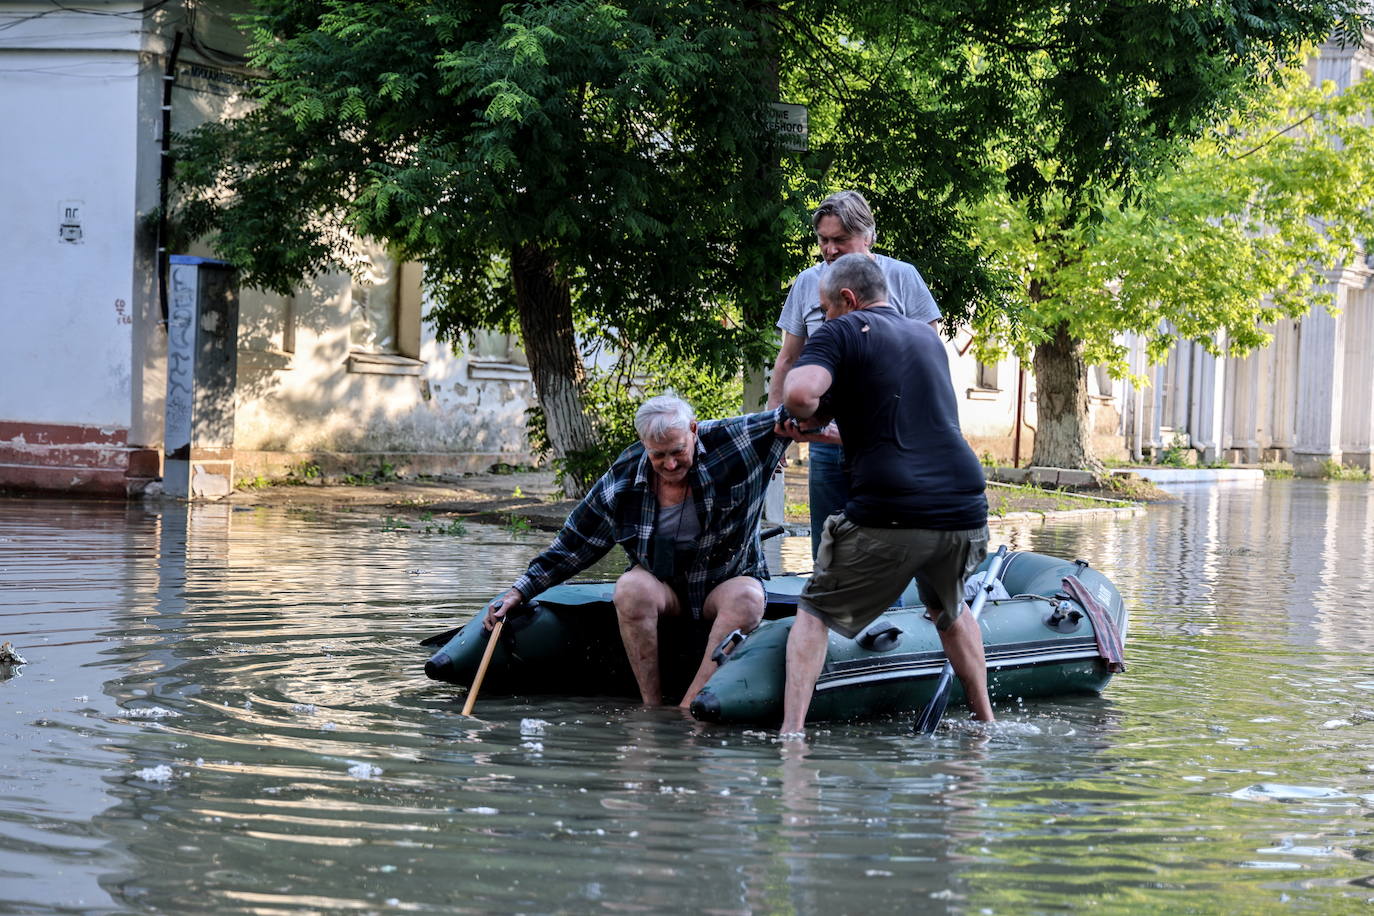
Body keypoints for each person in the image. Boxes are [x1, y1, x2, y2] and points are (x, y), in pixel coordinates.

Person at [776, 254, 992, 736]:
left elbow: (802, 394)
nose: (825, 319)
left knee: (814, 610)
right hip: (964, 508)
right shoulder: (926, 339)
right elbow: (900, 425)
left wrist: (796, 403)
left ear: (847, 300)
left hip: (893, 510)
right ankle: (986, 726)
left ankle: (791, 738)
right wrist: (829, 430)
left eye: (826, 309)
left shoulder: (843, 329)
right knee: (947, 610)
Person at [484, 394, 790, 707]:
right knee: (629, 587)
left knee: (749, 598)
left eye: (678, 451)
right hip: (663, 587)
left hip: (726, 580)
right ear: (643, 444)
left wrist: (832, 432)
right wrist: (518, 592)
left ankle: (689, 708)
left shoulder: (732, 440)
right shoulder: (621, 480)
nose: (670, 464)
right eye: (659, 456)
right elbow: (574, 544)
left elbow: (795, 415)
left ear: (694, 431)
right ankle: (651, 707)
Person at [767, 190, 942, 556]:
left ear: (868, 236)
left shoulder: (902, 277)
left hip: (887, 443)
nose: (829, 250)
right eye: (823, 240)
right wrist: (773, 431)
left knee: (885, 552)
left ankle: (887, 612)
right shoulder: (807, 282)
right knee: (829, 551)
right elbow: (787, 361)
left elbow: (928, 359)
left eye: (840, 240)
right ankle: (828, 609)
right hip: (827, 441)